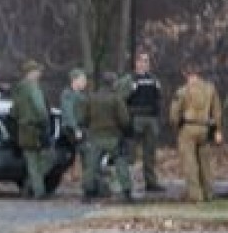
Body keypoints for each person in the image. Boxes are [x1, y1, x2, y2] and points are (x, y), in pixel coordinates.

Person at [169, 63, 223, 203]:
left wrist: (176, 126)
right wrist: (217, 130)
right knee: (205, 163)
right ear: (198, 73)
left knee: (190, 164)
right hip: (205, 129)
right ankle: (208, 193)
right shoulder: (210, 88)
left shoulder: (182, 91)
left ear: (185, 74)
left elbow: (174, 114)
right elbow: (217, 112)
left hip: (188, 128)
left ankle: (195, 196)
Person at [81, 71, 134, 203]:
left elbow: (84, 118)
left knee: (91, 166)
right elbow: (124, 119)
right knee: (120, 163)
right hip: (113, 137)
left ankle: (87, 193)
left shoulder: (91, 98)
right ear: (113, 83)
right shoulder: (116, 98)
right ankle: (127, 192)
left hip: (95, 137)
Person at [117, 52, 166, 192]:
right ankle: (127, 183)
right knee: (131, 153)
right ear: (136, 63)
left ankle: (151, 182)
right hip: (135, 118)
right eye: (142, 60)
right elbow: (120, 100)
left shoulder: (153, 79)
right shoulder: (129, 79)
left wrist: (158, 115)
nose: (145, 63)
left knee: (150, 153)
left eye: (146, 60)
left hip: (151, 119)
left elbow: (159, 97)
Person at [11, 59, 50, 199]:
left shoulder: (18, 89)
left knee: (32, 161)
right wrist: (45, 122)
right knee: (44, 159)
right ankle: (39, 191)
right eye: (38, 71)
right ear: (31, 73)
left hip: (23, 129)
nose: (40, 74)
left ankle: (30, 187)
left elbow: (14, 111)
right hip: (36, 128)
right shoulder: (33, 88)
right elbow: (40, 108)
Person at [60, 68, 98, 200]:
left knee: (89, 157)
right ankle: (88, 189)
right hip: (74, 131)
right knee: (87, 156)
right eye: (82, 80)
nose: (85, 82)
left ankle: (92, 187)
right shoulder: (68, 95)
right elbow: (68, 113)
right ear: (74, 80)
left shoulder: (80, 95)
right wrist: (76, 129)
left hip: (82, 129)